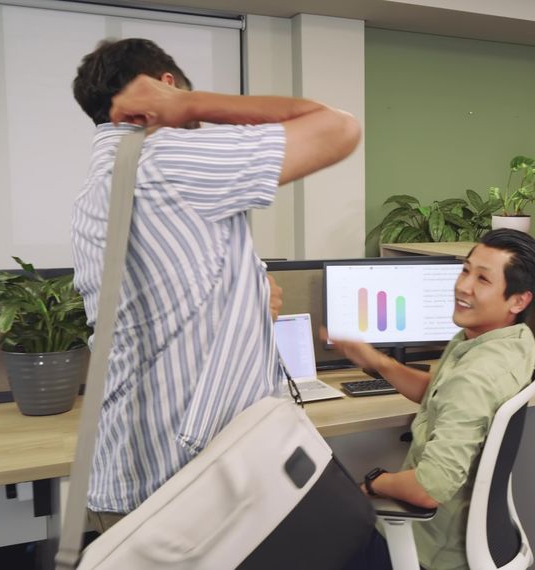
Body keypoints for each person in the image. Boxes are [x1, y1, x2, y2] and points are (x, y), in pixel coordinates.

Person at [70, 38, 360, 530]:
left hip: (134, 473)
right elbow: (338, 128)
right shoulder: (166, 161)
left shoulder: (102, 183)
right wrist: (189, 104)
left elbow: (161, 306)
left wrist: (246, 297)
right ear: (164, 85)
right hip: (191, 486)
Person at [331, 229, 535, 570]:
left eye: (482, 279)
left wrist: (373, 483)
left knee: (312, 526)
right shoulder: (512, 340)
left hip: (425, 548)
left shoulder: (474, 378)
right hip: (467, 534)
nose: (463, 286)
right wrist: (379, 362)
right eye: (465, 270)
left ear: (518, 300)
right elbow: (439, 391)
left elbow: (428, 487)